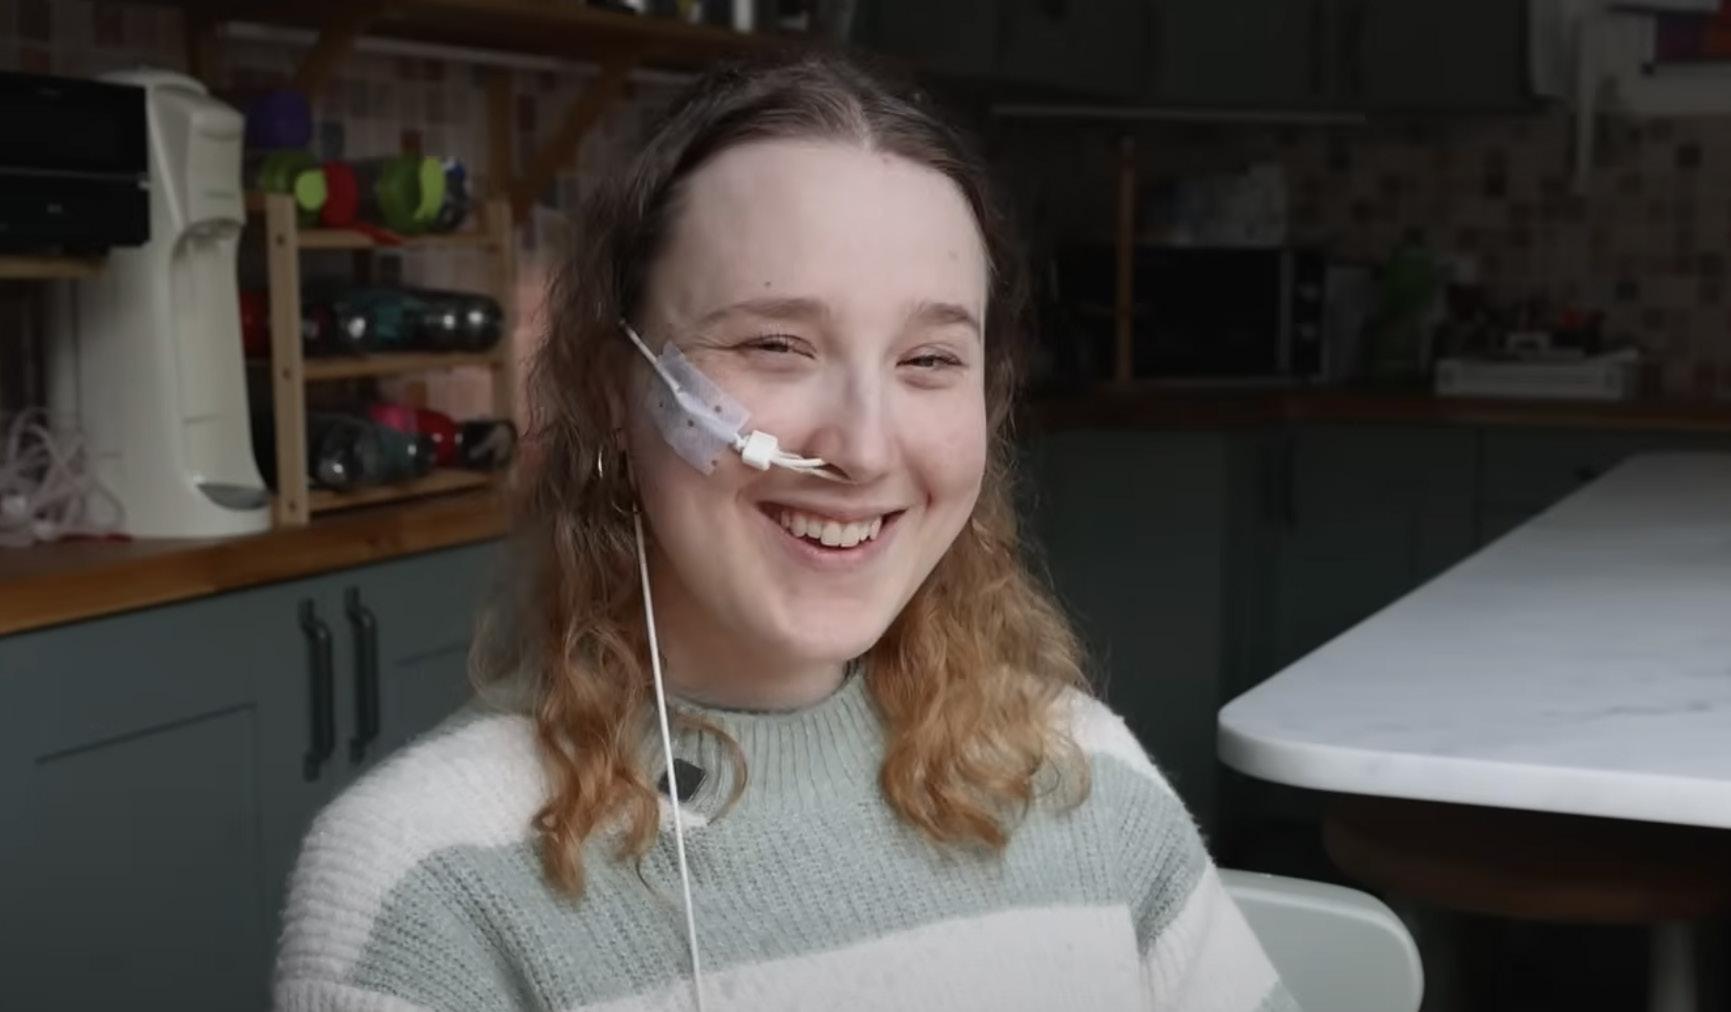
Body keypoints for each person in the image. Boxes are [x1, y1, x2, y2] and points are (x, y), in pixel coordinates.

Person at [274, 52, 1296, 1012]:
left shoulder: (1082, 771)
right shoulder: (426, 886)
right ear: (613, 387)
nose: (863, 450)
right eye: (774, 344)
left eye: (930, 360)